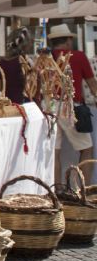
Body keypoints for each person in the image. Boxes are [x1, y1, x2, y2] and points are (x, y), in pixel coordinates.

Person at [49, 24, 97, 184]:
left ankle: (56, 189)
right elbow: (92, 84)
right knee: (87, 149)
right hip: (69, 106)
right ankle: (85, 189)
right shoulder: (78, 56)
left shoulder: (46, 58)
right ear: (68, 41)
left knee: (54, 152)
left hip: (48, 106)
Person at [0, 27, 30, 104]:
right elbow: (31, 87)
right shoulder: (27, 62)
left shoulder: (0, 64)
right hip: (27, 106)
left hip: (8, 106)